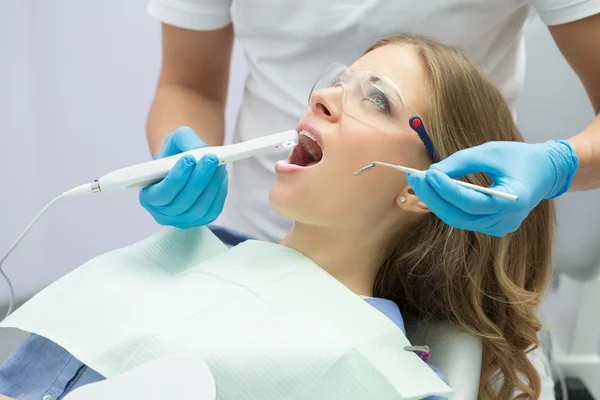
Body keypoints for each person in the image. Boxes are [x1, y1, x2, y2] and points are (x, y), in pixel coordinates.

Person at [1, 34, 553, 399]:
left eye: (377, 99)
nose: (324, 98)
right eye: (339, 81)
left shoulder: (368, 370)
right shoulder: (187, 256)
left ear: (422, 190)